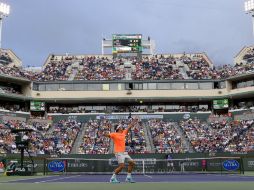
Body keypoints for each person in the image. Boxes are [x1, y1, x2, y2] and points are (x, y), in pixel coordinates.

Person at [104, 118, 138, 183]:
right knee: (121, 166)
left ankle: (128, 177)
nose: (122, 128)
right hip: (118, 152)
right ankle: (112, 178)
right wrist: (104, 133)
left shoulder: (123, 133)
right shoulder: (114, 134)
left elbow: (129, 126)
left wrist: (134, 120)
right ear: (119, 128)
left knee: (132, 163)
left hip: (124, 152)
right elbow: (107, 135)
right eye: (121, 127)